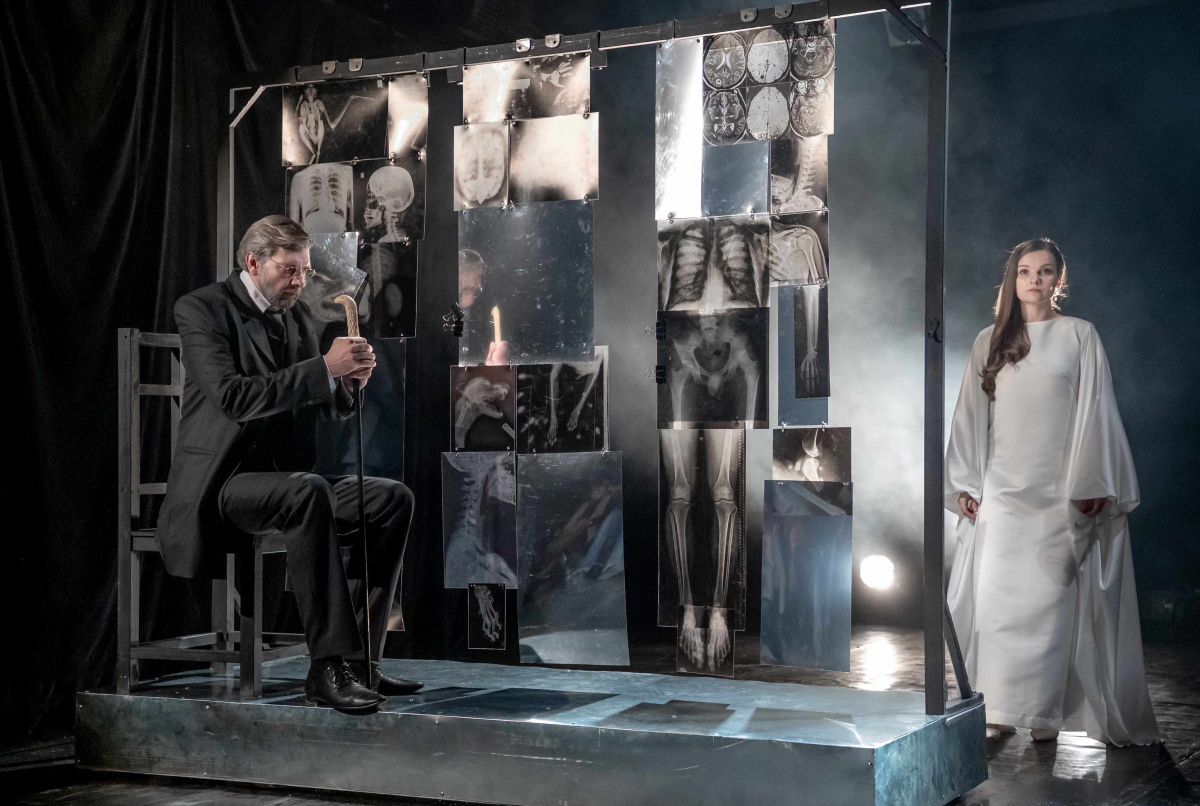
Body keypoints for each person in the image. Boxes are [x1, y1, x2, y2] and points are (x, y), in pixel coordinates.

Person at [158, 215, 422, 716]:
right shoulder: (202, 309)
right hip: (223, 483)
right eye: (289, 270)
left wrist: (345, 386)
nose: (300, 282)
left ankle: (362, 662)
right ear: (253, 262)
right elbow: (234, 398)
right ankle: (327, 667)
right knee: (308, 491)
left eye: (305, 270)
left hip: (284, 480)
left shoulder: (296, 316)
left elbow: (311, 400)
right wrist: (324, 368)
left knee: (392, 499)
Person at [945, 237, 1159, 746]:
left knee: (1050, 604)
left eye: (1044, 271)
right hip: (1002, 492)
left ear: (1058, 280)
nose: (1034, 280)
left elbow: (1096, 409)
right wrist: (965, 485)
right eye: (1024, 271)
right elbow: (970, 416)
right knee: (996, 602)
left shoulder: (1079, 335)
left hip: (1057, 494)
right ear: (1012, 279)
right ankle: (997, 708)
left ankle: (1043, 714)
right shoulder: (989, 340)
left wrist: (1093, 481)